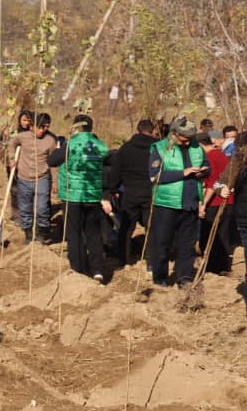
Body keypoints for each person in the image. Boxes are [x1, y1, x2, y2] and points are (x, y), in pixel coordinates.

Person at [48, 115, 110, 282]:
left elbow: (52, 161)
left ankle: (78, 270)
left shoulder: (70, 145)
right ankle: (97, 270)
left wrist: (60, 149)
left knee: (74, 234)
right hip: (92, 196)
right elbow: (108, 162)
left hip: (72, 197)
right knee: (94, 234)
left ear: (75, 127)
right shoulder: (100, 146)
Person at [148, 118, 207, 287]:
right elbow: (155, 176)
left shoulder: (197, 148)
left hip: (190, 203)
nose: (188, 142)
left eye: (190, 139)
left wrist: (203, 173)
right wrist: (184, 172)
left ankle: (185, 278)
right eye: (184, 139)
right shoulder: (160, 149)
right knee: (162, 243)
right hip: (167, 205)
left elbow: (207, 167)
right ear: (173, 135)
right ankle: (160, 278)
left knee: (188, 245)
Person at [105, 119, 160, 267]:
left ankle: (123, 260)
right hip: (151, 192)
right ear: (153, 131)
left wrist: (114, 189)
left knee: (126, 228)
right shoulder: (157, 148)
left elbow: (116, 170)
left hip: (129, 193)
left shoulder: (126, 148)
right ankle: (151, 262)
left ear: (137, 130)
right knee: (151, 228)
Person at [8, 113, 58, 244]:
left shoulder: (50, 141)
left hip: (41, 179)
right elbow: (12, 144)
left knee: (42, 209)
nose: (43, 130)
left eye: (46, 127)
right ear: (32, 126)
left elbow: (53, 163)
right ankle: (28, 235)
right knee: (25, 209)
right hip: (23, 179)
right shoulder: (22, 137)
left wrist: (55, 181)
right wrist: (12, 158)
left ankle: (41, 235)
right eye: (40, 127)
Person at [197, 131, 233, 274]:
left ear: (200, 145)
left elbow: (213, 183)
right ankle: (223, 266)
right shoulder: (221, 154)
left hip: (216, 201)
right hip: (228, 200)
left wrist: (204, 203)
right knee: (223, 234)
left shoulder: (210, 157)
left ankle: (214, 267)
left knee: (211, 234)